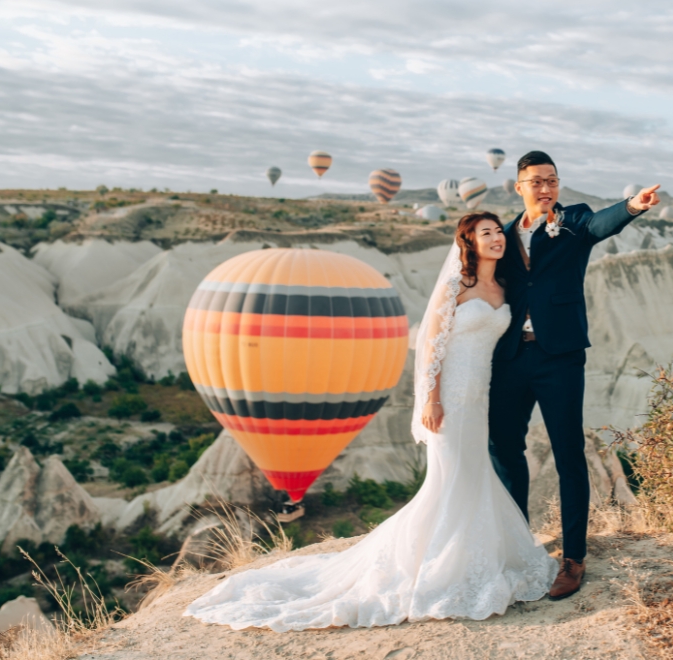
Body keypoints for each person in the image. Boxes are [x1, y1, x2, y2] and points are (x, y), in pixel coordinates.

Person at [184, 212, 558, 631]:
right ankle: (437, 568)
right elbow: (430, 346)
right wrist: (431, 400)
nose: (495, 239)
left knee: (474, 476)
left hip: (480, 400)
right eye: (484, 233)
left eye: (497, 232)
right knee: (449, 482)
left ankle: (478, 557)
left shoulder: (504, 287)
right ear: (467, 242)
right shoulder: (456, 286)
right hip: (450, 400)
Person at [489, 150, 660, 600]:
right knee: (503, 448)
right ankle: (517, 543)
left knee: (568, 454)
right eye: (537, 182)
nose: (546, 189)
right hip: (509, 356)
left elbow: (603, 223)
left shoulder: (573, 221)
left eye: (552, 180)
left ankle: (574, 557)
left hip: (559, 356)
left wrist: (633, 207)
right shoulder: (503, 236)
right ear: (519, 186)